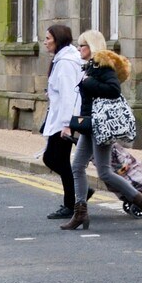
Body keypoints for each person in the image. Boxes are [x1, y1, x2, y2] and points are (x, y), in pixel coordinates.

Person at [62, 29, 142, 230]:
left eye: (82, 45)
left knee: (104, 172)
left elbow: (114, 90)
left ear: (91, 47)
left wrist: (89, 83)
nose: (78, 49)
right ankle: (80, 212)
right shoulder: (90, 66)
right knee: (77, 166)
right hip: (90, 124)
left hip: (101, 126)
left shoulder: (103, 66)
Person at [40, 23, 81, 220]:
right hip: (59, 118)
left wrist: (66, 124)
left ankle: (72, 203)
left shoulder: (65, 63)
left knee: (54, 159)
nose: (45, 42)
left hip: (63, 121)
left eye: (48, 38)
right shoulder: (62, 59)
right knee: (55, 159)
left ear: (58, 39)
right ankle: (77, 197)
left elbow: (68, 95)